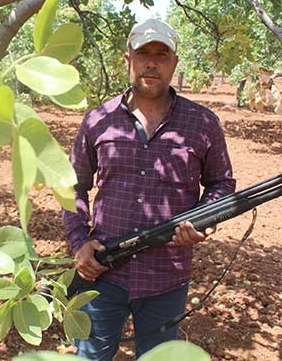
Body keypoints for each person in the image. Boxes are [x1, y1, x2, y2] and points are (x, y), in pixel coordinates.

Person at [63, 18, 236, 360]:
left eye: (162, 54)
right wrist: (79, 242)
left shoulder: (202, 123)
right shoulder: (99, 120)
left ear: (174, 63)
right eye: (143, 53)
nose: (151, 62)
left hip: (166, 279)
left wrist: (202, 219)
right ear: (127, 59)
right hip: (102, 273)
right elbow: (73, 186)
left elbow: (222, 183)